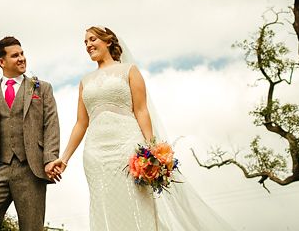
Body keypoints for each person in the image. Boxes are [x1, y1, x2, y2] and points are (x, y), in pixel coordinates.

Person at [46, 27, 234, 231]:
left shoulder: (129, 70)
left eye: (92, 39)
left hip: (127, 147)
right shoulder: (85, 82)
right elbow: (81, 123)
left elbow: (142, 110)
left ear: (108, 41)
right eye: (85, 43)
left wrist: (151, 148)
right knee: (103, 205)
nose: (88, 45)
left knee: (135, 204)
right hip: (95, 154)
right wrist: (64, 159)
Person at [0, 36, 62, 231]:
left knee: (31, 227)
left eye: (22, 53)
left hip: (31, 168)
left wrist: (49, 158)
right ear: (2, 62)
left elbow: (51, 125)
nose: (21, 58)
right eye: (15, 55)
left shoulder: (41, 88)